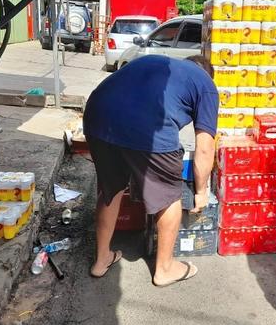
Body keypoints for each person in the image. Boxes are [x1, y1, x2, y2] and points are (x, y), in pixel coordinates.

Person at [83, 54, 219, 287]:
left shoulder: (157, 63)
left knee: (111, 188)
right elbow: (205, 149)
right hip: (145, 128)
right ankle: (164, 269)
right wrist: (201, 191)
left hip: (97, 117)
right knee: (168, 194)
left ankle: (101, 259)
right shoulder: (206, 85)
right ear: (208, 73)